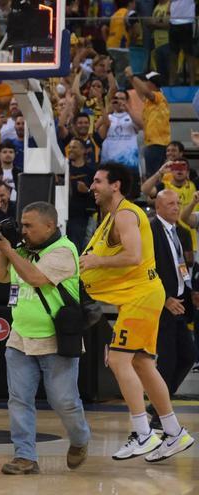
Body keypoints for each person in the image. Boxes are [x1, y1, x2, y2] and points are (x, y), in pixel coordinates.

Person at [80, 163, 194, 461]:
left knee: (118, 361)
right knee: (143, 364)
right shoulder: (110, 217)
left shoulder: (127, 213)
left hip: (141, 296)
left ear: (115, 185)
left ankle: (142, 432)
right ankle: (174, 432)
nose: (92, 186)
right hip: (139, 296)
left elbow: (134, 256)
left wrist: (95, 263)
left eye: (97, 181)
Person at [0, 201, 91, 474]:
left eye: (28, 226)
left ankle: (80, 439)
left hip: (55, 341)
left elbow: (35, 277)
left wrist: (10, 250)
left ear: (49, 226)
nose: (23, 230)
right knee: (19, 400)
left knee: (64, 401)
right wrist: (4, 247)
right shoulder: (23, 249)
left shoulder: (64, 251)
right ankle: (25, 456)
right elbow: (1, 276)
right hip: (20, 339)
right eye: (21, 225)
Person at [151, 191, 198, 421]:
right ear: (158, 206)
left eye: (178, 203)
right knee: (167, 360)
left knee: (189, 356)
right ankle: (160, 414)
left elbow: (182, 267)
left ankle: (161, 401)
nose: (176, 207)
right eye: (170, 204)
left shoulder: (178, 231)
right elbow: (148, 271)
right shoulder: (151, 230)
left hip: (180, 303)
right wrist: (165, 297)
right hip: (163, 304)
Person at [125, 68, 170, 178]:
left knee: (153, 176)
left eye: (144, 81)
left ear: (150, 83)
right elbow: (141, 94)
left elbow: (145, 92)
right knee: (153, 175)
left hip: (157, 143)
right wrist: (131, 80)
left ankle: (155, 195)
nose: (142, 83)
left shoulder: (159, 96)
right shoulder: (151, 101)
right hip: (153, 142)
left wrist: (132, 77)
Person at [167, 0, 196, 86]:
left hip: (187, 21)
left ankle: (192, 84)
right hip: (173, 21)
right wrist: (168, 11)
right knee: (173, 54)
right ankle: (171, 84)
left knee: (189, 54)